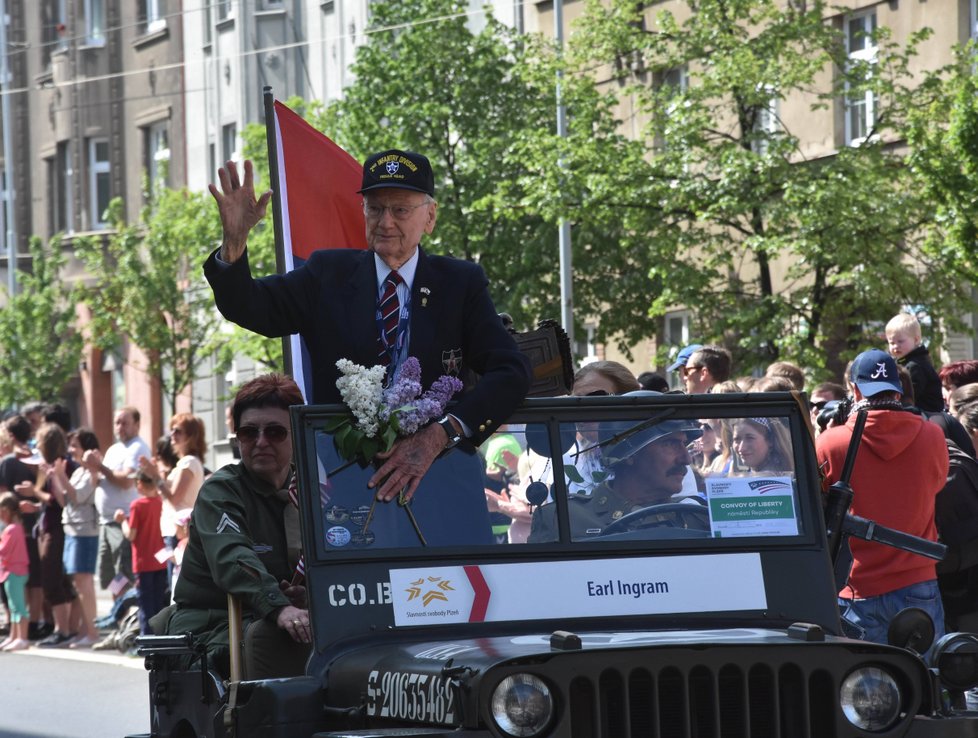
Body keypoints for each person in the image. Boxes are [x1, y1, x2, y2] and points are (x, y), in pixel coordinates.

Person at [205, 154, 531, 505]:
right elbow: (252, 307)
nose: (385, 222)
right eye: (374, 209)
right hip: (348, 483)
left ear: (430, 217)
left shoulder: (459, 284)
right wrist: (234, 244)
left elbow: (511, 371)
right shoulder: (327, 274)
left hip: (440, 479)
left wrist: (441, 433)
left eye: (400, 210)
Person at [166, 374, 311, 679]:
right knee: (272, 638)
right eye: (248, 433)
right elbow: (232, 557)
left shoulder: (312, 490)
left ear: (297, 434)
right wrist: (280, 607)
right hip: (213, 624)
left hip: (273, 614)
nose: (261, 442)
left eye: (274, 432)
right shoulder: (221, 491)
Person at [816, 349, 949, 653]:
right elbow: (937, 485)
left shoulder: (831, 441)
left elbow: (818, 505)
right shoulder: (933, 436)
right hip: (918, 581)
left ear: (855, 389)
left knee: (860, 691)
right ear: (898, 389)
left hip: (856, 587)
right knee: (924, 687)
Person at [528, 417, 704, 542]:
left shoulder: (699, 518)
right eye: (670, 444)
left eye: (684, 444)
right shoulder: (562, 520)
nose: (686, 458)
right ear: (628, 454)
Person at [89, 407, 151, 600]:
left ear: (137, 425)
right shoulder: (114, 449)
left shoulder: (138, 447)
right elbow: (99, 480)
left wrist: (99, 466)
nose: (119, 427)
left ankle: (129, 620)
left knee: (124, 575)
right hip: (107, 521)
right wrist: (91, 467)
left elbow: (126, 481)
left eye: (125, 422)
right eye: (117, 422)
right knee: (111, 576)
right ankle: (120, 618)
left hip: (123, 521)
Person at [47, 428, 102, 648]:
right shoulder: (79, 471)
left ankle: (93, 630)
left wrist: (60, 475)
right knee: (77, 582)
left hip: (84, 531)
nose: (70, 450)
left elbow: (78, 497)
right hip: (72, 529)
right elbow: (64, 501)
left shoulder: (91, 473)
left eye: (75, 446)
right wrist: (55, 477)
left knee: (84, 582)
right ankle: (84, 629)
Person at [139, 413, 206, 588]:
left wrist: (155, 475)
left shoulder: (188, 463)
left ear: (191, 436)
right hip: (175, 531)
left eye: (178, 431)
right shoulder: (185, 463)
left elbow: (174, 498)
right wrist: (154, 474)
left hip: (179, 533)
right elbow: (164, 490)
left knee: (176, 585)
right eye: (172, 431)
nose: (172, 436)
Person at [115, 471, 167, 637]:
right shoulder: (161, 502)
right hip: (161, 560)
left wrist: (122, 520)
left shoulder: (137, 505)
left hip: (143, 562)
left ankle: (147, 639)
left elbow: (131, 535)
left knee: (145, 604)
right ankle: (160, 638)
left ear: (141, 484)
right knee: (159, 602)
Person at [886, 312, 943, 412]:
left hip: (927, 413)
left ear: (916, 340)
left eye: (900, 341)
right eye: (892, 343)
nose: (895, 346)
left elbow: (910, 395)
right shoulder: (903, 361)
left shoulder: (915, 365)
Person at [0, 492, 30, 651]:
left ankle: (22, 638)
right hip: (12, 571)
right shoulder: (15, 528)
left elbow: (4, 550)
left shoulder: (12, 529)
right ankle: (14, 636)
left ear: (6, 511)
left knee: (18, 606)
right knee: (13, 606)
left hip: (14, 571)